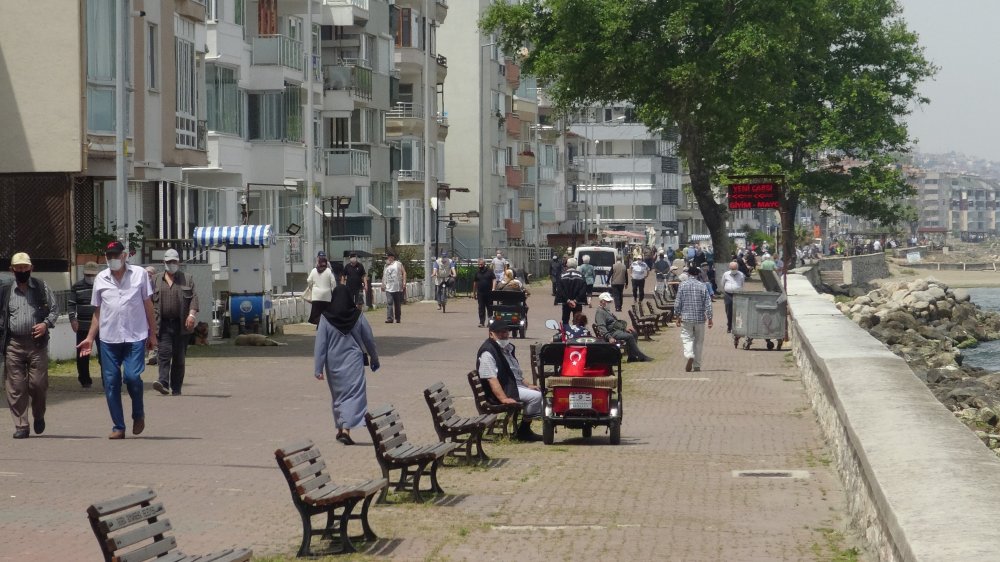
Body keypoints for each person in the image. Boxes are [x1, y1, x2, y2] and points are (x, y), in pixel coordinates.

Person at [78, 241, 157, 439]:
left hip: (135, 337)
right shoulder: (101, 279)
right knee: (111, 382)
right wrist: (89, 337)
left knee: (131, 377)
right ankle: (118, 426)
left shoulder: (139, 275)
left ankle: (138, 414)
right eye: (109, 255)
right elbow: (98, 311)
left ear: (124, 256)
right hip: (109, 339)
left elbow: (148, 306)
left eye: (116, 255)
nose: (112, 259)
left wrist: (153, 334)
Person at [1, 252, 58, 439]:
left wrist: (45, 324)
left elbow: (55, 309)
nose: (22, 271)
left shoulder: (41, 287)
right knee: (16, 386)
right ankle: (21, 426)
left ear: (31, 268)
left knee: (38, 384)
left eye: (25, 268)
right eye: (18, 268)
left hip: (37, 344)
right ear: (12, 270)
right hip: (14, 344)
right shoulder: (5, 290)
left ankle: (39, 414)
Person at [314, 285, 379, 445]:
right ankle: (345, 430)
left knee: (339, 396)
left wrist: (318, 368)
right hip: (353, 362)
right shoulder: (357, 315)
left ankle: (341, 428)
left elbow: (320, 344)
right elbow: (369, 339)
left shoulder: (325, 317)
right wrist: (374, 358)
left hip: (333, 363)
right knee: (354, 395)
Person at [475, 319, 542, 441]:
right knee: (536, 397)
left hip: (512, 385)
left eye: (505, 331)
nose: (503, 335)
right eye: (499, 332)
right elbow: (492, 379)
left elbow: (515, 372)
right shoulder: (488, 352)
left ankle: (524, 428)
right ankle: (524, 430)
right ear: (491, 334)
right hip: (501, 392)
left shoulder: (506, 348)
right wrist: (504, 399)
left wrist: (527, 384)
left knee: (539, 391)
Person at [151, 249, 199, 396]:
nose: (171, 264)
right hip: (163, 324)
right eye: (168, 262)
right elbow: (148, 302)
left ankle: (176, 387)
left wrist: (191, 315)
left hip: (181, 325)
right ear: (163, 263)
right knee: (164, 354)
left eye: (174, 262)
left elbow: (194, 299)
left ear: (178, 262)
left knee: (179, 357)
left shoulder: (187, 278)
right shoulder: (155, 280)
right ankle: (163, 382)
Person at [674, 266, 713, 372]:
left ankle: (689, 354)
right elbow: (708, 303)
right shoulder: (702, 286)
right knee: (699, 342)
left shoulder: (682, 285)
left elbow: (678, 302)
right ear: (698, 274)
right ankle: (697, 365)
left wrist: (677, 316)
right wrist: (710, 318)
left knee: (687, 338)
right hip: (700, 318)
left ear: (688, 274)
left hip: (686, 317)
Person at [593, 292, 652, 362]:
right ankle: (640, 356)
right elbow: (601, 327)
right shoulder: (600, 312)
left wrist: (624, 328)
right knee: (629, 337)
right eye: (607, 301)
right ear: (602, 301)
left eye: (609, 301)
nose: (609, 303)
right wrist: (609, 337)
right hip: (611, 333)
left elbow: (615, 322)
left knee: (634, 333)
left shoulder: (606, 310)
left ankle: (632, 357)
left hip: (616, 330)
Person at [69, 261, 100, 389]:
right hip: (82, 325)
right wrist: (72, 319)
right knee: (82, 355)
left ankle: (108, 379)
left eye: (93, 275)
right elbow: (71, 304)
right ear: (84, 273)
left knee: (104, 354)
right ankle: (84, 380)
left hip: (100, 326)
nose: (90, 277)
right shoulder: (77, 286)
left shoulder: (102, 285)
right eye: (88, 274)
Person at [306, 251, 337, 325]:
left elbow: (309, 281)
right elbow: (333, 283)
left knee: (316, 314)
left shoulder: (313, 271)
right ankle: (324, 326)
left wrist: (311, 287)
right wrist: (334, 292)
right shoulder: (328, 271)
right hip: (326, 297)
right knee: (326, 313)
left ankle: (318, 326)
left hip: (316, 296)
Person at [556, 258, 587, 326]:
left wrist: (568, 300)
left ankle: (565, 333)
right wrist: (576, 300)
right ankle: (577, 334)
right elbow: (583, 289)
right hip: (578, 303)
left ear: (567, 265)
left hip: (565, 302)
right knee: (578, 320)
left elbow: (560, 289)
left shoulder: (562, 275)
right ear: (576, 265)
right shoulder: (581, 276)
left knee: (565, 320)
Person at [382, 251, 406, 324]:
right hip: (389, 287)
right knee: (389, 302)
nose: (389, 258)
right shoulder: (386, 266)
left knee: (397, 304)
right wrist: (383, 284)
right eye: (388, 257)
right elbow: (384, 275)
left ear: (393, 257)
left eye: (390, 257)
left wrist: (404, 282)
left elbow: (404, 272)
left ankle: (398, 318)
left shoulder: (398, 264)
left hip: (397, 287)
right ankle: (390, 318)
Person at [721, 261, 746, 333]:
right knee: (729, 311)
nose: (733, 270)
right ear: (729, 268)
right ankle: (729, 326)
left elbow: (742, 284)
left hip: (738, 295)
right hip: (728, 294)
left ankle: (738, 327)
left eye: (734, 269)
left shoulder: (741, 275)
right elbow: (722, 283)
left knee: (739, 311)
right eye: (732, 269)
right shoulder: (726, 274)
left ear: (737, 268)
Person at [473, 259, 496, 328]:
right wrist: (474, 292)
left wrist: (493, 288)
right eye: (479, 265)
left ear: (484, 264)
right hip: (480, 293)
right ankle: (481, 322)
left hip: (489, 293)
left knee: (490, 307)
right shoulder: (477, 272)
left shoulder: (489, 271)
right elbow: (475, 283)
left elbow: (494, 279)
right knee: (481, 308)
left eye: (481, 264)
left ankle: (490, 321)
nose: (480, 266)